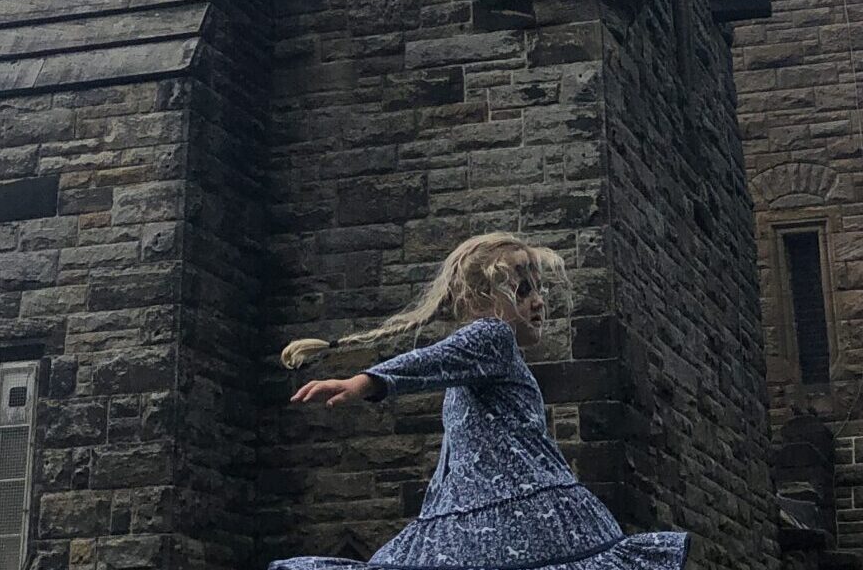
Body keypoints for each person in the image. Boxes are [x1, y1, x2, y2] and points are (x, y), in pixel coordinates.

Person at [272, 231, 688, 570]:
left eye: (538, 289)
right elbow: (434, 361)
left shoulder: (492, 351)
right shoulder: (493, 336)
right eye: (523, 290)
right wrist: (366, 381)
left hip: (513, 518)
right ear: (480, 299)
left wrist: (370, 381)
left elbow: (440, 364)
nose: (539, 301)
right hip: (503, 519)